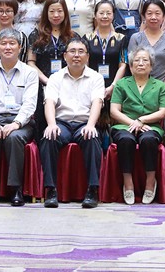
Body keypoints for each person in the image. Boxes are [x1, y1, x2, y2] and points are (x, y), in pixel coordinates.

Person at [39, 37, 106, 208]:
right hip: (62, 123)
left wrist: (91, 125)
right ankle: (51, 190)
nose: (76, 55)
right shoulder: (55, 77)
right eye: (72, 51)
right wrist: (51, 124)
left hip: (85, 122)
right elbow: (49, 102)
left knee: (92, 138)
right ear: (65, 56)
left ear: (87, 56)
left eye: (81, 51)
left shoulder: (96, 77)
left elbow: (97, 102)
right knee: (49, 138)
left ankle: (92, 190)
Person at [0, 31, 43, 205]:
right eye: (3, 43)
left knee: (14, 138)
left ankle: (16, 188)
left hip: (20, 121)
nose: (8, 47)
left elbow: (30, 104)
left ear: (19, 48)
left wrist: (16, 123)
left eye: (12, 43)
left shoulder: (29, 73)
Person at [109, 49, 165, 205]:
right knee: (126, 140)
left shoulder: (160, 86)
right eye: (136, 60)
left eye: (145, 60)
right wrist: (133, 123)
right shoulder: (122, 84)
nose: (141, 63)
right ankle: (128, 182)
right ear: (130, 66)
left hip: (150, 126)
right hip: (124, 125)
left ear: (151, 66)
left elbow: (163, 112)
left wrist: (141, 120)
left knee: (148, 140)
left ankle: (151, 181)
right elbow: (114, 111)